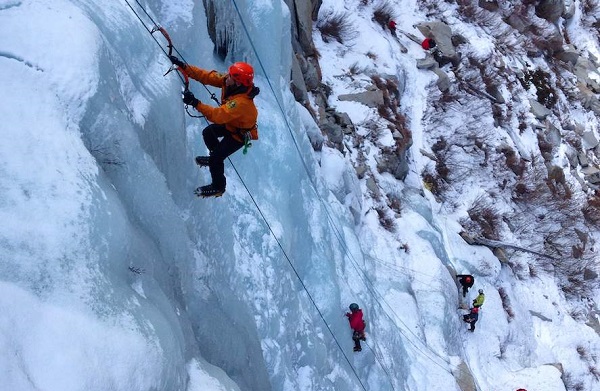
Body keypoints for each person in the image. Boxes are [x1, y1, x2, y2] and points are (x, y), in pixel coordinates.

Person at [169, 56, 260, 197]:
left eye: (231, 76)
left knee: (217, 157)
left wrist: (195, 103)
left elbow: (217, 116)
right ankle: (214, 160)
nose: (227, 77)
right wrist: (185, 67)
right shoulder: (230, 82)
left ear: (237, 82)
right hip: (232, 124)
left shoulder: (241, 103)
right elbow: (207, 76)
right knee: (208, 133)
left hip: (239, 135)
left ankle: (218, 187)